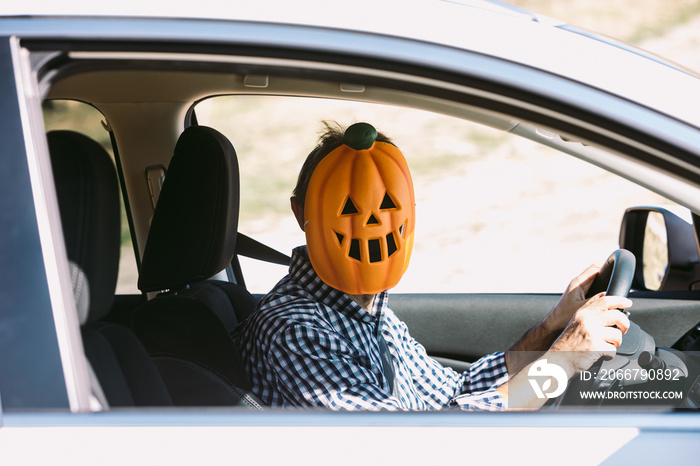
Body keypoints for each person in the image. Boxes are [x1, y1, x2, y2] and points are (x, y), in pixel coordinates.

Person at [233, 121, 631, 410]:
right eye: (349, 207)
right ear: (300, 212)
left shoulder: (368, 310)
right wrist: (560, 363)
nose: (373, 223)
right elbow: (420, 447)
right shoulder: (295, 329)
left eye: (388, 204)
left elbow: (453, 392)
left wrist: (553, 329)